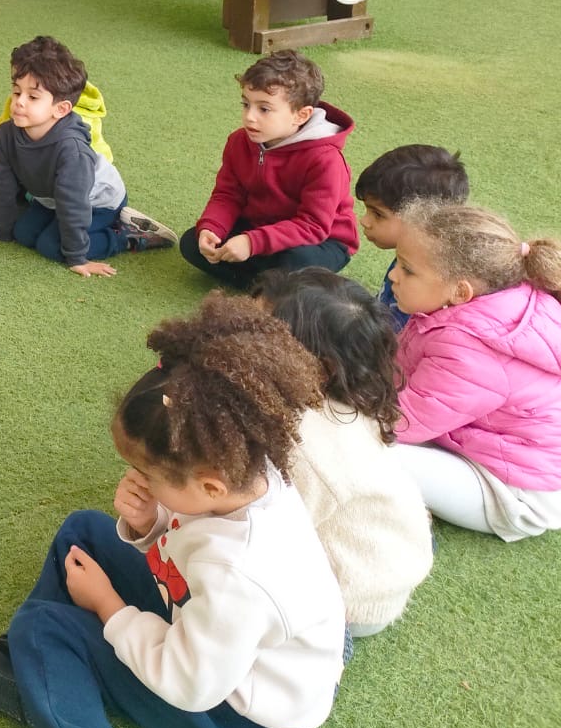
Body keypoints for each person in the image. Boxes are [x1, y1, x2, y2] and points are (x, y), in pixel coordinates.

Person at [0, 294, 344, 728]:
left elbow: (186, 683)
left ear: (210, 485)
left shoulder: (238, 576)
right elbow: (192, 548)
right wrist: (150, 524)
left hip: (230, 710)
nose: (137, 479)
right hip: (217, 645)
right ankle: (43, 668)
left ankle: (41, 674)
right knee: (82, 531)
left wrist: (108, 607)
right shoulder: (247, 476)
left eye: (149, 473)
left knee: (42, 627)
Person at [252, 268, 433, 636]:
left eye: (261, 336)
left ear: (321, 367)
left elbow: (263, 534)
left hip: (354, 598)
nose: (240, 338)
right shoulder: (348, 393)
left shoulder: (305, 443)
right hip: (380, 548)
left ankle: (333, 641)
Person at [388, 200, 561, 541]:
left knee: (364, 452)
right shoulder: (486, 303)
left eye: (407, 269)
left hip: (514, 492)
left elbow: (401, 421)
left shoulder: (471, 347)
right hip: (485, 447)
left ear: (460, 291)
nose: (393, 275)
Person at [0, 36, 176, 276]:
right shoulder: (7, 133)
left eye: (32, 97)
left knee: (51, 247)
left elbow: (74, 203)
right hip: (52, 198)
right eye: (17, 92)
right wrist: (3, 230)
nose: (19, 102)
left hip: (97, 201)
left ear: (61, 109)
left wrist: (77, 258)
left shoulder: (71, 150)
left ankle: (126, 235)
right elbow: (2, 184)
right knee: (23, 234)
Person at [180, 50, 357, 289]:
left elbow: (313, 225)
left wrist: (252, 242)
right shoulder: (239, 141)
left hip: (322, 240)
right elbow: (228, 195)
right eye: (246, 104)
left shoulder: (326, 160)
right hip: (259, 227)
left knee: (294, 263)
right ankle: (269, 286)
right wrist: (212, 228)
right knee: (192, 243)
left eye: (264, 109)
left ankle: (267, 283)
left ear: (301, 115)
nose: (249, 117)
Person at [353, 145, 469, 329]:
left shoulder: (427, 287)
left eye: (378, 214)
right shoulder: (410, 257)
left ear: (423, 218)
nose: (364, 221)